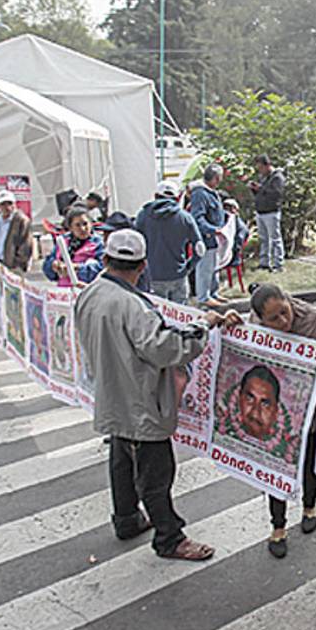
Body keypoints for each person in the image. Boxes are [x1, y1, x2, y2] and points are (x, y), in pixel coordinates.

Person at [75, 229, 243, 560]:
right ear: (142, 266)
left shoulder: (91, 293)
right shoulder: (132, 305)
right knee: (155, 473)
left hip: (112, 393)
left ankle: (126, 519)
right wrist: (203, 327)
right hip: (141, 400)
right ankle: (170, 538)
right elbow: (165, 348)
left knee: (122, 459)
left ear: (107, 260)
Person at [248, 283, 316, 558]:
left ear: (288, 301)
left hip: (310, 411)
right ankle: (278, 527)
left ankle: (310, 507)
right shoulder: (253, 325)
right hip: (276, 414)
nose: (283, 322)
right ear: (260, 319)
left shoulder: (314, 322)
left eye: (284, 312)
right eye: (274, 319)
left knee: (308, 465)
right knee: (276, 468)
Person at [134, 179, 204, 303]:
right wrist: (189, 266)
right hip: (178, 275)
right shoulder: (185, 217)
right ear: (177, 198)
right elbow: (200, 248)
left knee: (157, 316)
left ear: (155, 196)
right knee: (181, 316)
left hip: (153, 275)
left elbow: (135, 244)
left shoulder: (142, 215)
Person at [188, 163, 227, 303]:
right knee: (204, 268)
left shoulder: (212, 192)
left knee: (214, 267)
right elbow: (197, 217)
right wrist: (212, 229)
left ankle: (213, 292)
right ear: (216, 178)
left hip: (216, 237)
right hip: (206, 237)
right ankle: (204, 297)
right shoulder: (200, 194)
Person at [43, 205, 104, 287]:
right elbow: (48, 264)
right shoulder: (62, 241)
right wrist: (54, 266)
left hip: (86, 290)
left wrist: (78, 268)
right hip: (64, 292)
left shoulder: (98, 243)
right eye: (77, 225)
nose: (82, 228)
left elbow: (102, 268)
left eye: (85, 224)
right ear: (71, 227)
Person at [247, 153, 285, 272]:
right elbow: (260, 193)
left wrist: (260, 188)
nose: (260, 171)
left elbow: (276, 194)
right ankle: (264, 262)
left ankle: (278, 263)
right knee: (263, 239)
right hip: (261, 211)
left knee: (275, 238)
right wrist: (254, 189)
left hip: (271, 212)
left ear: (267, 165)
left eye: (261, 168)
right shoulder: (262, 177)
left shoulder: (277, 177)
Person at [0, 190, 33, 272]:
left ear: (14, 204)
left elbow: (26, 245)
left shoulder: (21, 221)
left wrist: (17, 264)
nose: (7, 207)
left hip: (10, 266)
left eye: (9, 203)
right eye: (3, 204)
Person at [223, 197, 250, 271]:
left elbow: (241, 237)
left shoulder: (238, 223)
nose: (227, 210)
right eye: (225, 207)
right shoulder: (224, 220)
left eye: (229, 208)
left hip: (232, 251)